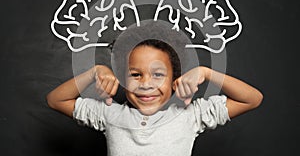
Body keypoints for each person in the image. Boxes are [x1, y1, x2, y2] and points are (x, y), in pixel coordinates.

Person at [47, 39, 263, 156]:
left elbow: (252, 99)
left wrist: (206, 72)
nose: (146, 84)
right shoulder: (110, 114)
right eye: (135, 75)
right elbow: (55, 100)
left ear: (174, 80)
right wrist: (95, 71)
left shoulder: (190, 115)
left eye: (158, 74)